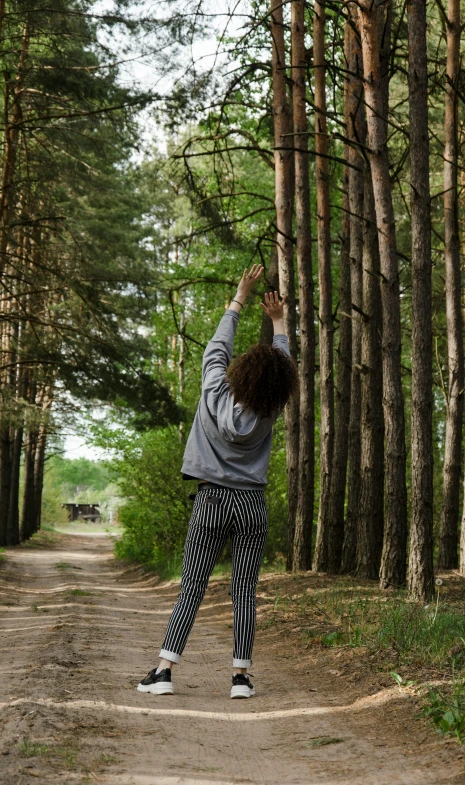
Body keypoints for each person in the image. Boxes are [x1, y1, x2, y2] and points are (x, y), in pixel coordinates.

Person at [137, 264, 298, 699]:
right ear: (277, 387)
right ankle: (240, 678)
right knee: (244, 590)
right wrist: (279, 322)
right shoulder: (270, 408)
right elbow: (282, 365)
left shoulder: (214, 390)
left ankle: (164, 671)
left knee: (192, 585)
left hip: (211, 501)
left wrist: (239, 298)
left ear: (237, 372)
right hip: (251, 504)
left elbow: (216, 349)